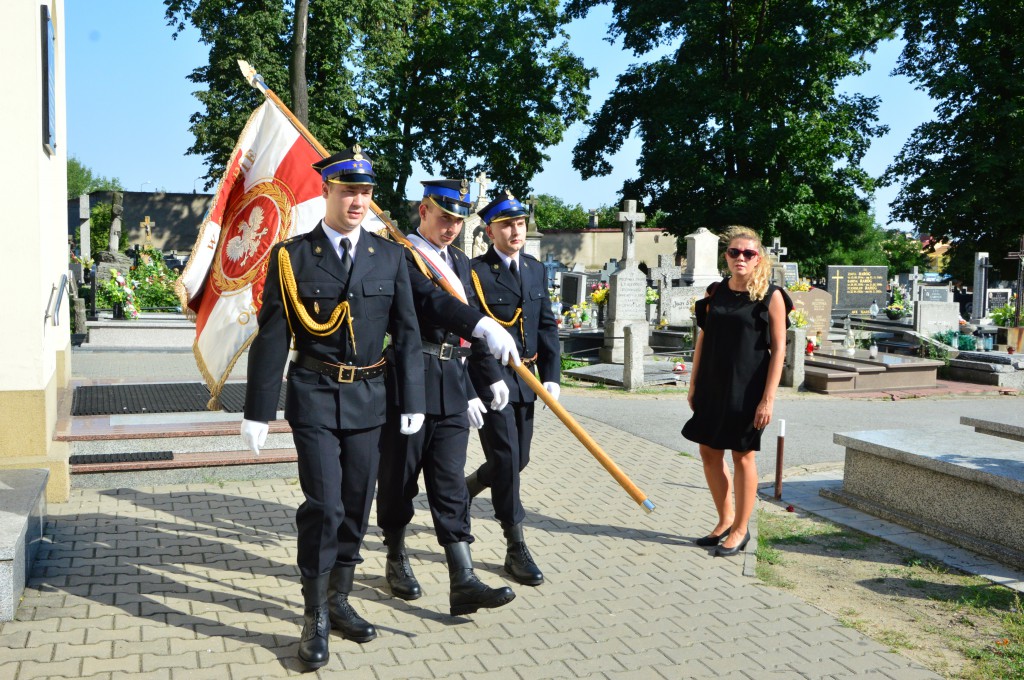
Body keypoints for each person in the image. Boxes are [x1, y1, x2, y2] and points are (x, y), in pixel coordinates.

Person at [240, 145, 426, 671]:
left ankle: (341, 600)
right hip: (316, 395)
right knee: (323, 504)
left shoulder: (390, 256)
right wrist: (258, 410)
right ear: (327, 191)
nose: (358, 201)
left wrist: (411, 399)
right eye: (348, 191)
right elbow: (273, 335)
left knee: (355, 503)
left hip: (370, 398)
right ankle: (313, 613)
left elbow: (407, 334)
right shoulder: (292, 256)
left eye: (365, 192)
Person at [376, 179, 520, 616]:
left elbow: (468, 325)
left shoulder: (458, 260)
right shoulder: (401, 253)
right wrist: (483, 326)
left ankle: (463, 579)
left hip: (452, 384)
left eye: (458, 221)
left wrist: (488, 377)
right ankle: (396, 553)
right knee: (400, 478)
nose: (452, 228)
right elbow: (433, 304)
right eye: (444, 218)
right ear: (423, 211)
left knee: (450, 483)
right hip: (409, 379)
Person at [466, 190, 560, 586]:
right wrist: (482, 381)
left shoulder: (536, 270)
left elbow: (547, 325)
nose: (515, 231)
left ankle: (466, 487)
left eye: (520, 223)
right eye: (506, 225)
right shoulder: (474, 272)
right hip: (495, 379)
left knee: (517, 460)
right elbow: (470, 334)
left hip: (529, 379)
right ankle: (515, 545)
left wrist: (553, 375)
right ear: (490, 231)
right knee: (506, 461)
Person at [682, 226, 792, 557]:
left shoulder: (771, 296)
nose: (740, 257)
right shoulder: (715, 293)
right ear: (726, 256)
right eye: (734, 252)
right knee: (708, 451)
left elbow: (780, 351)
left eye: (748, 253)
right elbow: (703, 338)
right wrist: (693, 382)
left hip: (747, 389)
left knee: (742, 455)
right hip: (713, 384)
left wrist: (768, 399)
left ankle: (741, 529)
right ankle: (725, 519)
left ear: (759, 258)